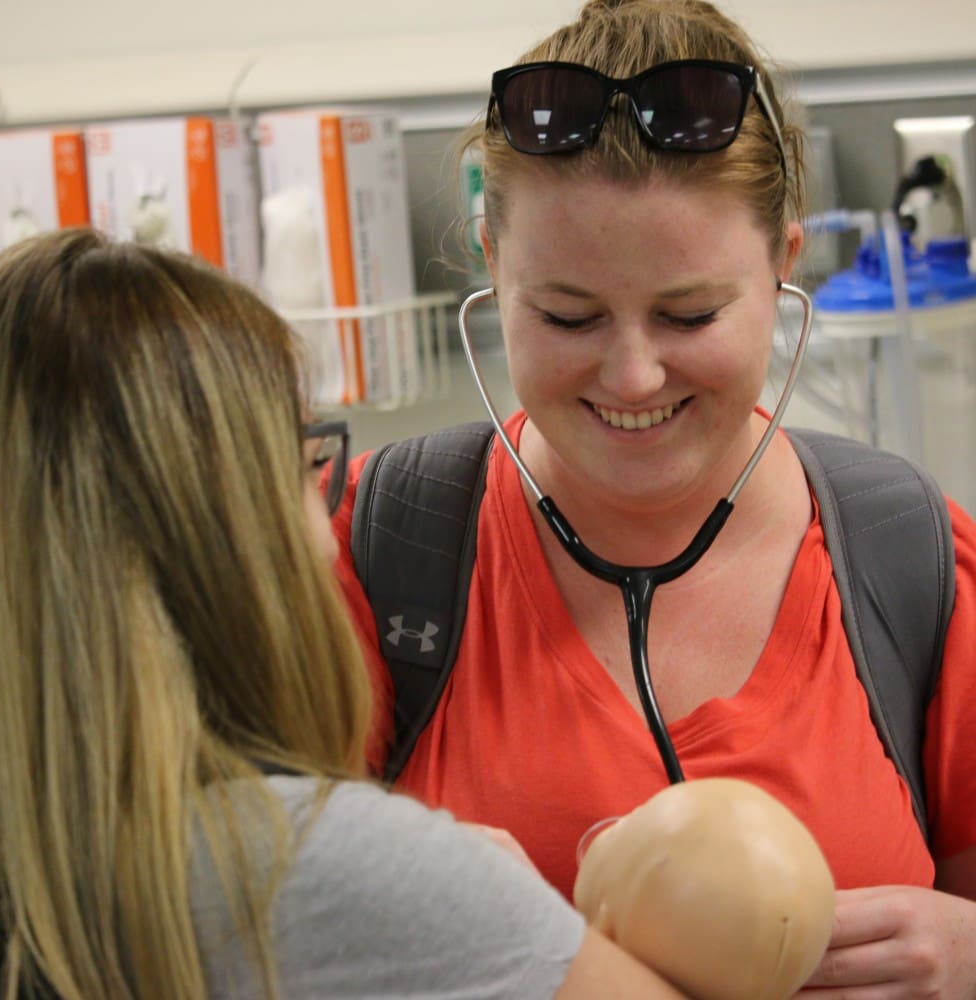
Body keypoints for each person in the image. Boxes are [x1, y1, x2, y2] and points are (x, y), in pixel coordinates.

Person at [330, 0, 976, 995]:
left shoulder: (916, 563)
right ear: (493, 264)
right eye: (567, 315)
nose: (633, 376)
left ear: (783, 266)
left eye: (690, 313)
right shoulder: (367, 554)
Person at [0, 228, 689, 999]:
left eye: (689, 315)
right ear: (223, 533)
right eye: (304, 466)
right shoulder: (307, 874)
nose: (325, 537)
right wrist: (493, 919)